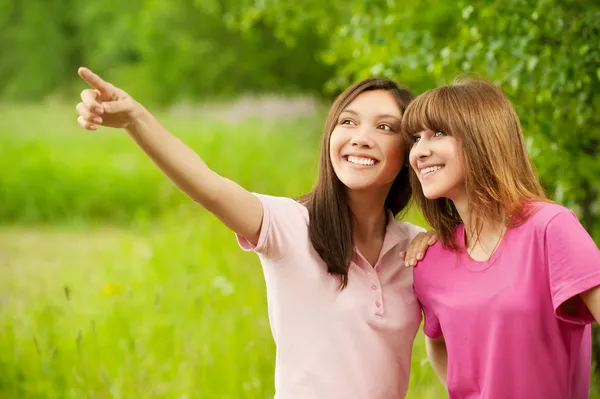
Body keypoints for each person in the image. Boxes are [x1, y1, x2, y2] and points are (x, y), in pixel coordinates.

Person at [75, 67, 434, 398]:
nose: (361, 138)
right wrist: (136, 119)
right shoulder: (292, 225)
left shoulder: (416, 250)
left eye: (384, 127)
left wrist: (440, 239)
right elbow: (210, 188)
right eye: (348, 122)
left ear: (409, 152)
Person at [403, 77, 600, 398]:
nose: (419, 152)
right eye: (415, 139)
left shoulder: (551, 228)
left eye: (437, 133)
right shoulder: (431, 260)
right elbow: (437, 343)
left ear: (482, 136)